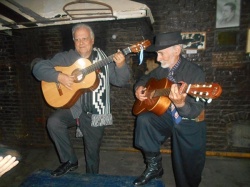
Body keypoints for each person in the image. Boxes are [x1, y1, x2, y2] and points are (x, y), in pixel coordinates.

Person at [32, 23, 131, 177]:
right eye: (77, 40)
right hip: (74, 108)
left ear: (92, 40)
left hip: (95, 113)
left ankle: (92, 180)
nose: (81, 43)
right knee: (54, 122)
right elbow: (38, 68)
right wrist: (59, 76)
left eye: (84, 39)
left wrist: (121, 64)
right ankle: (69, 160)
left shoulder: (103, 58)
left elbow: (121, 81)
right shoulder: (67, 58)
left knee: (91, 153)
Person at [133, 32, 206, 187]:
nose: (158, 58)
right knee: (144, 120)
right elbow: (145, 78)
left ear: (176, 51)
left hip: (188, 121)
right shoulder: (162, 70)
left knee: (187, 168)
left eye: (161, 53)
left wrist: (181, 104)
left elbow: (196, 110)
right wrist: (139, 87)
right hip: (167, 116)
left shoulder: (195, 73)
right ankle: (155, 167)